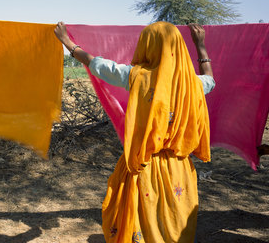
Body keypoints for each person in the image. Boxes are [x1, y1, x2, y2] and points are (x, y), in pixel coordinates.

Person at [54, 21, 215, 243]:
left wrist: (67, 43)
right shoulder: (194, 85)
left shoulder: (138, 77)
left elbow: (98, 65)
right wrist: (201, 45)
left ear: (147, 46)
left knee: (145, 224)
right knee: (176, 222)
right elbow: (210, 80)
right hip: (180, 170)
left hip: (145, 165)